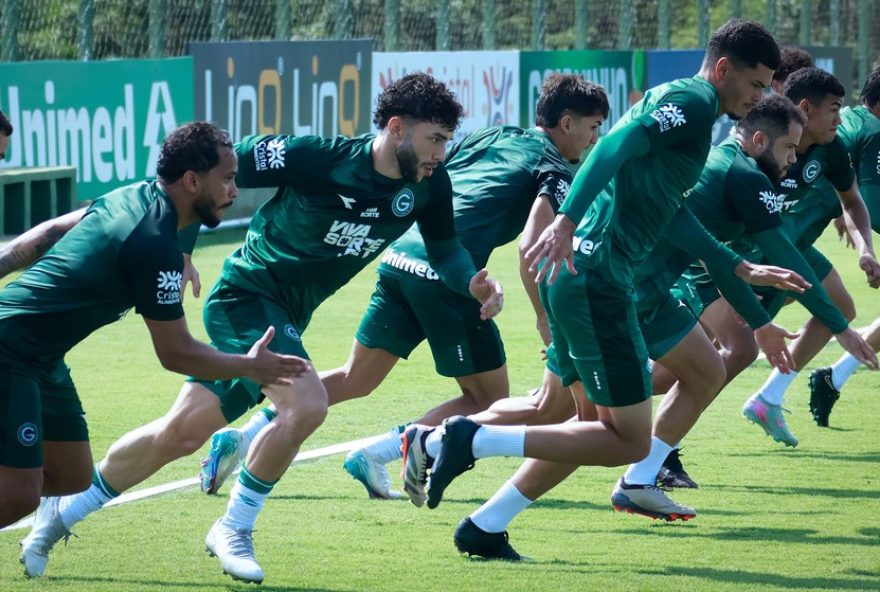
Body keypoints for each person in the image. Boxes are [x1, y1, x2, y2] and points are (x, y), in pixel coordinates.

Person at [19, 72, 503, 584]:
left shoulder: (430, 185)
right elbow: (204, 175)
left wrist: (470, 281)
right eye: (434, 139)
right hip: (246, 296)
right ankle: (234, 527)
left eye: (446, 141)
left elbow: (445, 251)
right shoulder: (318, 157)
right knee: (308, 403)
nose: (441, 154)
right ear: (398, 127)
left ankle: (60, 515)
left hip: (284, 316)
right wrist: (178, 247)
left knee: (180, 433)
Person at [394, 18, 782, 559]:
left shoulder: (685, 104)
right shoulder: (695, 103)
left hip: (585, 277)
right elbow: (614, 145)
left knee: (579, 419)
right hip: (600, 280)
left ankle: (485, 524)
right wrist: (568, 219)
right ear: (723, 69)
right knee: (625, 438)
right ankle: (456, 438)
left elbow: (667, 208)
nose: (760, 96)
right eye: (757, 84)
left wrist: (732, 263)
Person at [197, 74, 609, 502]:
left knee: (357, 377)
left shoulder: (495, 134)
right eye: (593, 127)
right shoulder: (555, 169)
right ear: (566, 123)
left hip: (400, 257)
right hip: (449, 274)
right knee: (487, 398)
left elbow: (435, 182)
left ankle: (245, 436)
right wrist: (546, 321)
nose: (595, 139)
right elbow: (533, 245)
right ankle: (380, 452)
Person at [0, 121, 308, 529]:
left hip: (43, 356)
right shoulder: (154, 244)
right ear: (192, 181)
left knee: (72, 474)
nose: (234, 192)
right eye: (227, 179)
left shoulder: (133, 195)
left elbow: (50, 232)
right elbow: (176, 353)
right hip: (11, 348)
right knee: (21, 495)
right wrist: (249, 367)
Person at [723, 67, 880, 446]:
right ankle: (660, 440)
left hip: (791, 246)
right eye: (833, 110)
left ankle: (769, 397)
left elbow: (853, 200)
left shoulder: (831, 143)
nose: (838, 119)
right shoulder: (762, 150)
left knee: (839, 307)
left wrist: (864, 247)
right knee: (723, 353)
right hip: (755, 253)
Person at [800, 65, 880, 425]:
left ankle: (830, 378)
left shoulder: (845, 122)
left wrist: (853, 227)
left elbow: (852, 196)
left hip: (787, 238)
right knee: (727, 347)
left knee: (839, 307)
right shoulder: (873, 131)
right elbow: (872, 207)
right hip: (779, 240)